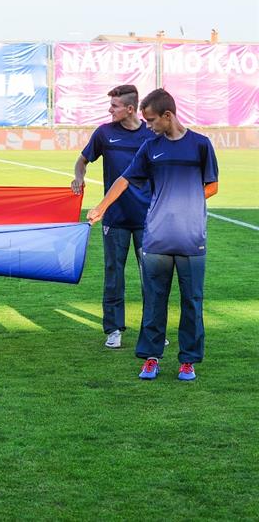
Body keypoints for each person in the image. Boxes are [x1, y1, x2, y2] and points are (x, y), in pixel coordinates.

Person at [87, 88, 219, 381]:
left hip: (191, 238)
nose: (147, 126)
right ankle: (151, 357)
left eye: (151, 120)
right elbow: (124, 179)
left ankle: (188, 360)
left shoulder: (200, 145)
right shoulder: (150, 148)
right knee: (154, 300)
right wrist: (102, 207)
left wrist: (185, 203)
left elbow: (212, 185)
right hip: (157, 237)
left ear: (167, 116)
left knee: (192, 301)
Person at [72, 85, 156, 349]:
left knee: (152, 277)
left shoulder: (151, 133)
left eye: (115, 106)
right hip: (114, 219)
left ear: (130, 109)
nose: (110, 110)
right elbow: (82, 160)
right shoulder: (104, 133)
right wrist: (79, 176)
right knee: (113, 275)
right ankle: (113, 329)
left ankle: (153, 330)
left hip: (149, 219)